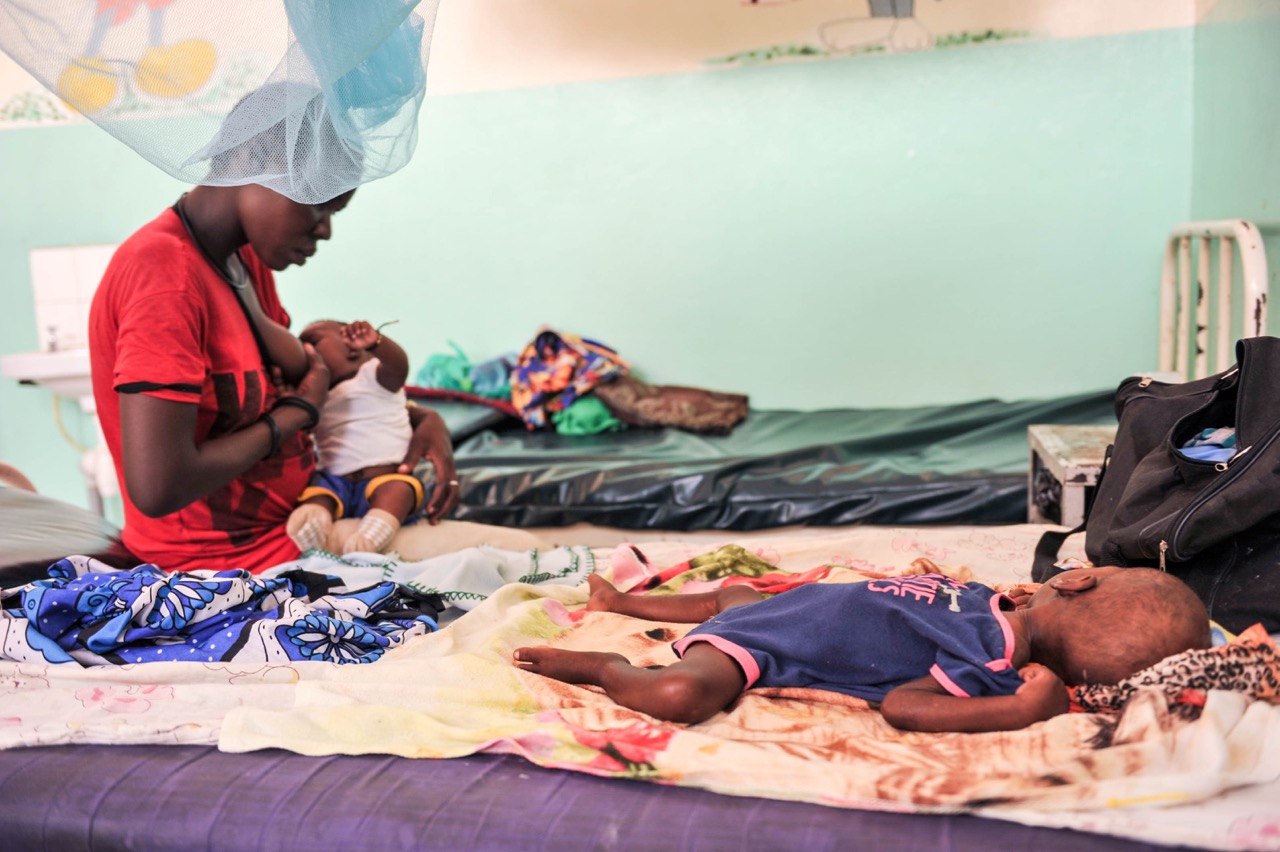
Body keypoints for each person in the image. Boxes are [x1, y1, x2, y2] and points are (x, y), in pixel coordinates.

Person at [88, 87, 460, 574]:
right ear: (256, 161)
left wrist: (412, 416)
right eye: (320, 207)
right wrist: (295, 416)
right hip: (224, 566)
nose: (325, 230)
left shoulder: (240, 260)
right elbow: (159, 487)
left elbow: (302, 377)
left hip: (299, 526)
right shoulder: (165, 275)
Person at [512, 566, 1211, 732]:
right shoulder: (994, 601)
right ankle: (623, 602)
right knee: (733, 594)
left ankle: (608, 666)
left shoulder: (991, 666)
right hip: (785, 608)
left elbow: (905, 708)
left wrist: (1019, 712)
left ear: (1077, 579)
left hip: (758, 646)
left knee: (678, 693)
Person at [285, 319, 424, 555]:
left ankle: (370, 536)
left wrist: (377, 343)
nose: (304, 348)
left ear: (352, 348)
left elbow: (398, 365)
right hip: (335, 482)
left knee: (401, 489)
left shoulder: (374, 377)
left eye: (312, 341)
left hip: (382, 478)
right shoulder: (317, 396)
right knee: (317, 493)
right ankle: (313, 524)